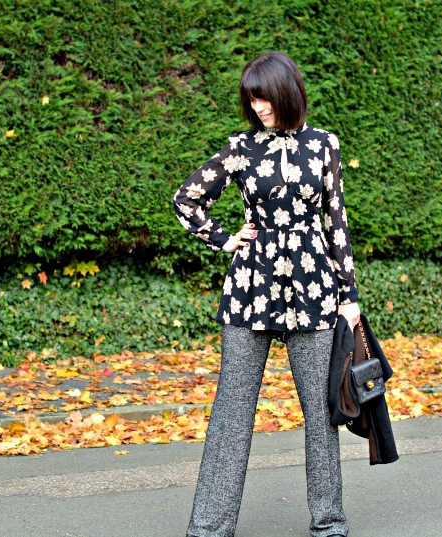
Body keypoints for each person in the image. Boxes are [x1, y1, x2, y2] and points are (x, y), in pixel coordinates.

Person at [173, 51, 361, 537]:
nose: (258, 107)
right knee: (232, 410)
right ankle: (209, 529)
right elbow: (187, 198)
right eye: (251, 99)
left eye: (265, 97)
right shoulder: (240, 148)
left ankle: (329, 523)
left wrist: (350, 295)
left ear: (287, 92)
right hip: (249, 288)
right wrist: (223, 238)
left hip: (314, 287)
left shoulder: (324, 145)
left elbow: (336, 222)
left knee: (321, 412)